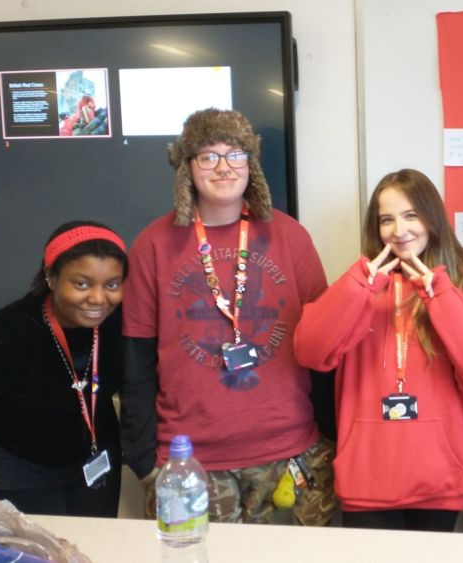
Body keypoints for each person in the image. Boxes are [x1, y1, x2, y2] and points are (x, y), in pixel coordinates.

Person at [121, 108, 336, 526]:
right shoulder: (152, 245)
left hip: (290, 454)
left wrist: (331, 436)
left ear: (250, 165)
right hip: (189, 462)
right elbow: (136, 360)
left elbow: (322, 347)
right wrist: (143, 460)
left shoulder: (290, 236)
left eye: (235, 154)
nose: (223, 167)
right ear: (187, 168)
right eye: (208, 156)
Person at [294, 169, 463, 532]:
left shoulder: (462, 287)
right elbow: (309, 351)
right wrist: (360, 285)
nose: (399, 230)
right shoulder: (359, 287)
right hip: (368, 478)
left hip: (439, 478)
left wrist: (439, 293)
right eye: (387, 219)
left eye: (411, 215)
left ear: (433, 218)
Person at [0, 221, 127, 516]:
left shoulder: (121, 323)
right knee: (40, 553)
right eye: (81, 283)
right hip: (19, 462)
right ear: (51, 277)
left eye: (111, 284)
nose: (98, 298)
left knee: (96, 545)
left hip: (93, 455)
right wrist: (1, 449)